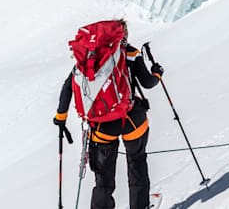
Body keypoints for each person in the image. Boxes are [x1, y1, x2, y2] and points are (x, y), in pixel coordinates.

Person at [54, 20, 163, 209]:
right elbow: (147, 83)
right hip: (132, 120)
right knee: (136, 163)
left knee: (103, 178)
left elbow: (67, 88)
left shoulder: (90, 60)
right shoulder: (129, 53)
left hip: (101, 126)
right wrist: (157, 74)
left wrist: (61, 117)